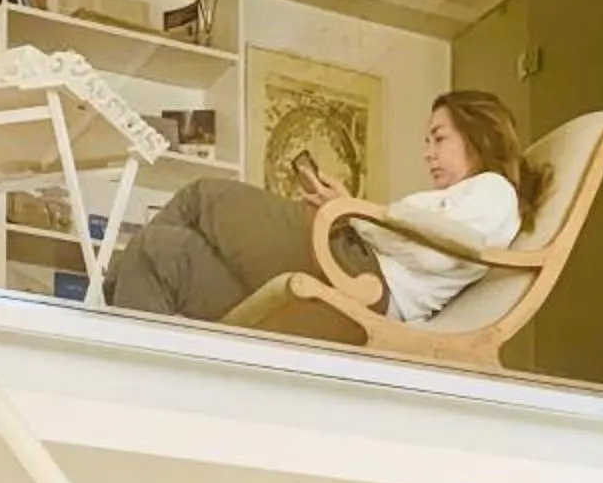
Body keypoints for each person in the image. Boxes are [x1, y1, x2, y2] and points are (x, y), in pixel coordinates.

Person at [106, 89, 548, 329]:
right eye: (426, 141)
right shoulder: (474, 194)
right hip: (350, 256)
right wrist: (347, 210)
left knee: (204, 196)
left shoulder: (494, 191)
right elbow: (420, 237)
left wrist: (354, 213)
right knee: (160, 251)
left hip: (359, 274)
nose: (428, 153)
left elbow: (438, 250)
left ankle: (104, 301)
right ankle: (132, 374)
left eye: (439, 138)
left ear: (478, 137)